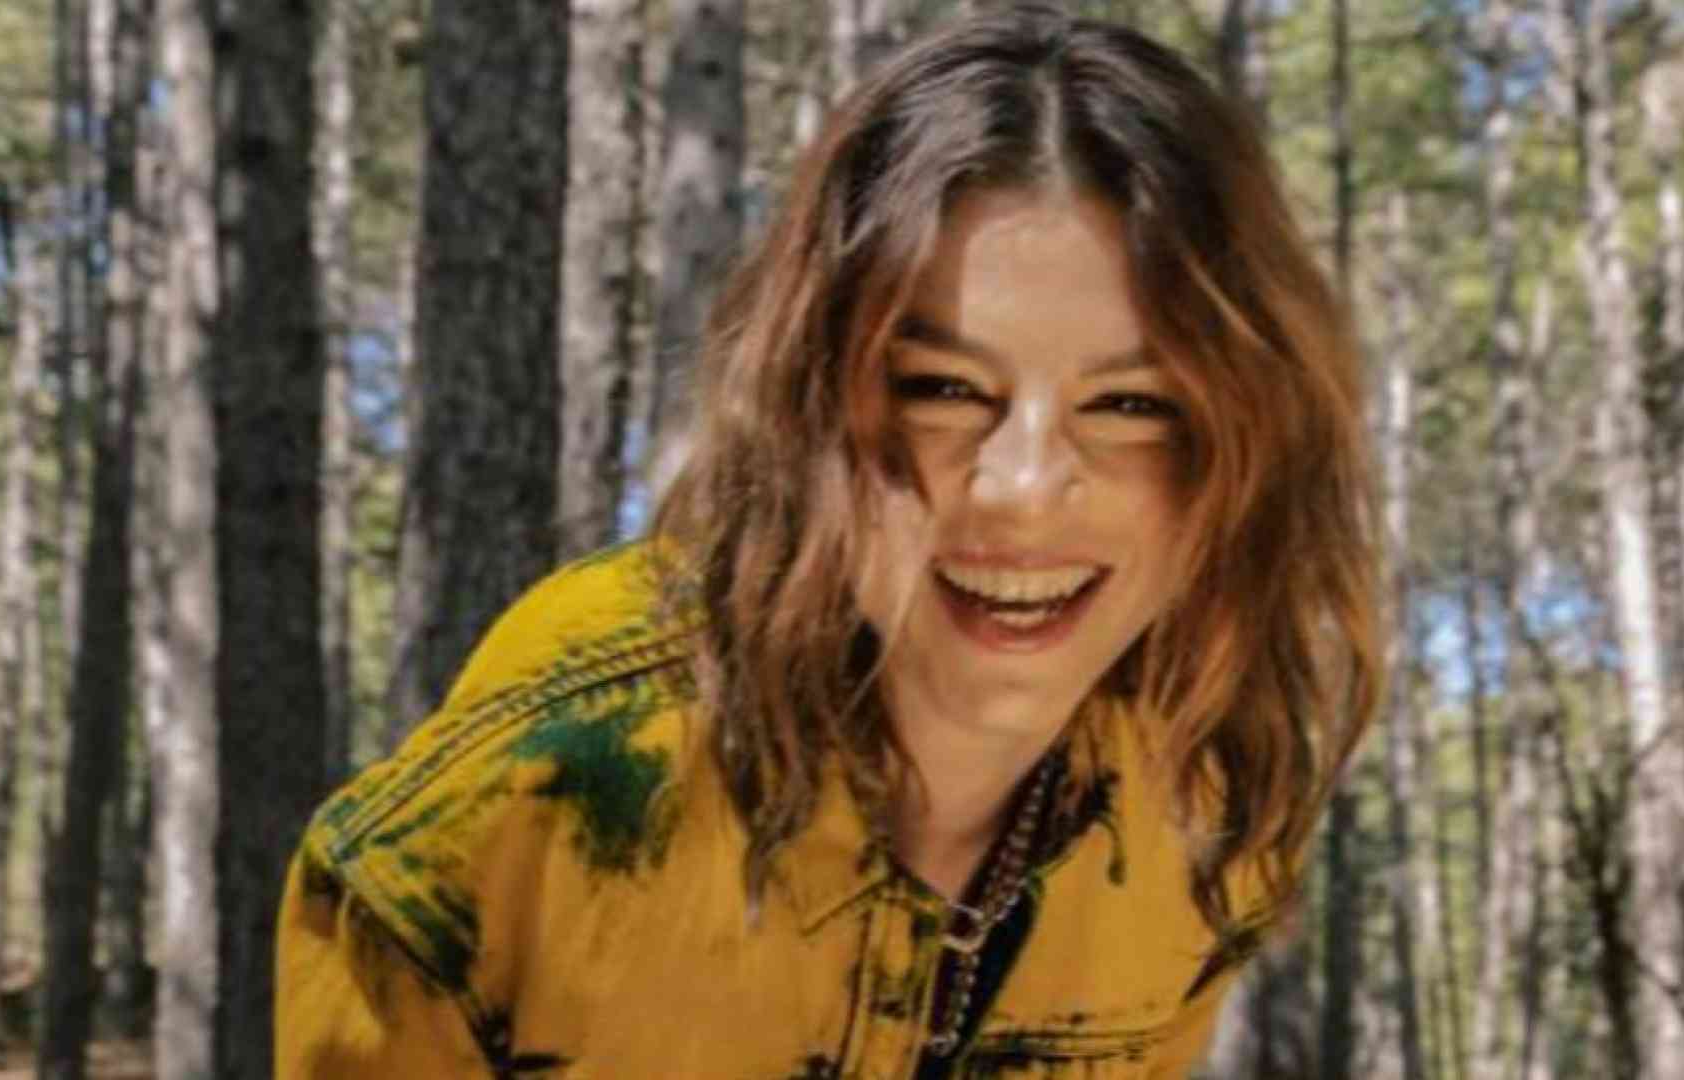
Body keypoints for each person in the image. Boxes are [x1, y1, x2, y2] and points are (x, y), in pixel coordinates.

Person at [274, 4, 1380, 1076]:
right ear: (811, 399)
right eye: (943, 388)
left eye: (1130, 405)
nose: (1024, 488)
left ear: (1248, 445)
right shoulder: (536, 795)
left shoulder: (1199, 810)